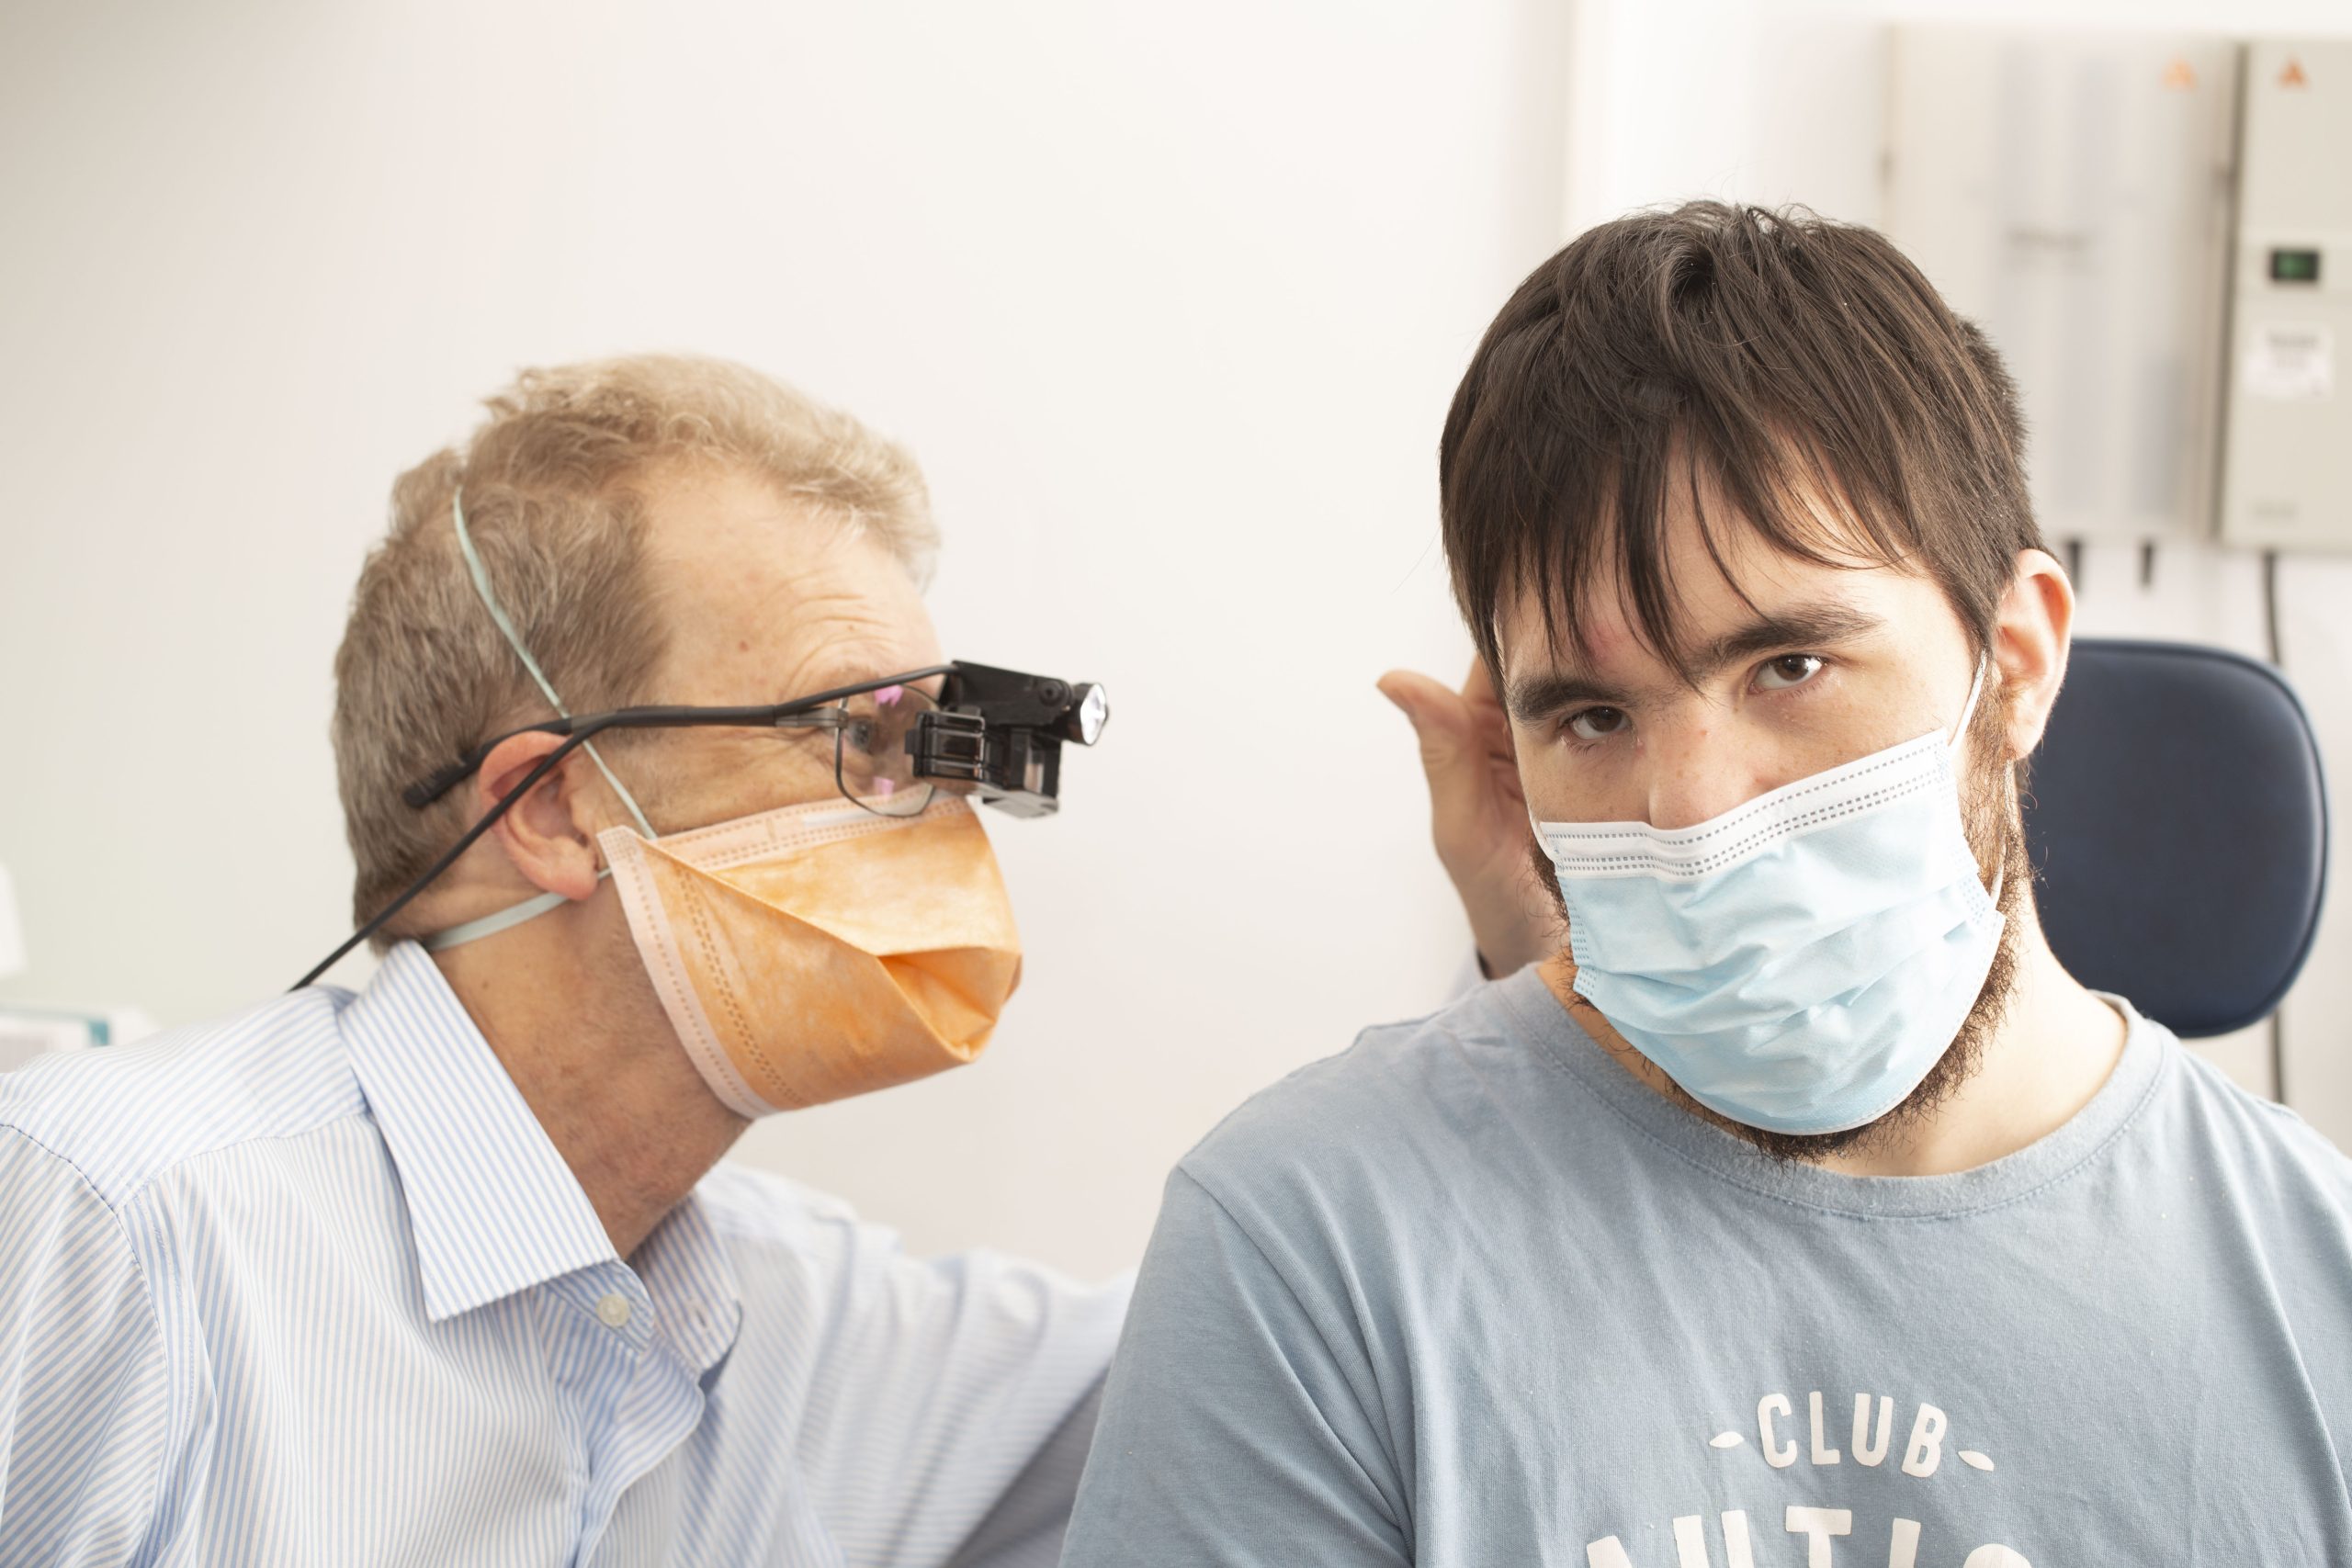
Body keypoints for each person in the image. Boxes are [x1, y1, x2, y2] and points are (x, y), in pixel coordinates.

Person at [1061, 204, 2352, 1565]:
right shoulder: (1310, 1240)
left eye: (1787, 669)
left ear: (2016, 661)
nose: (1690, 813)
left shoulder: (2312, 1294)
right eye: (1593, 720)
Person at [0, 355, 1132, 1565]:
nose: (930, 817)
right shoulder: (110, 1220)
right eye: (862, 737)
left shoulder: (815, 1322)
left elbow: (1295, 1356)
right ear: (547, 808)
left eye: (932, 752)